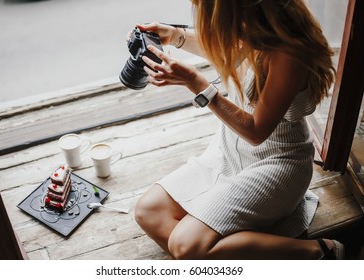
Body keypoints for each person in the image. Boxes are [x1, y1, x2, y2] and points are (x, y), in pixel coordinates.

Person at [133, 0, 344, 259]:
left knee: (186, 245)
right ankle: (221, 253)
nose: (209, 24)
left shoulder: (290, 54)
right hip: (229, 151)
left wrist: (198, 85)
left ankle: (321, 251)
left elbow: (256, 132)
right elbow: (227, 52)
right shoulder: (253, 30)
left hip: (277, 162)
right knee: (148, 211)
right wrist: (175, 36)